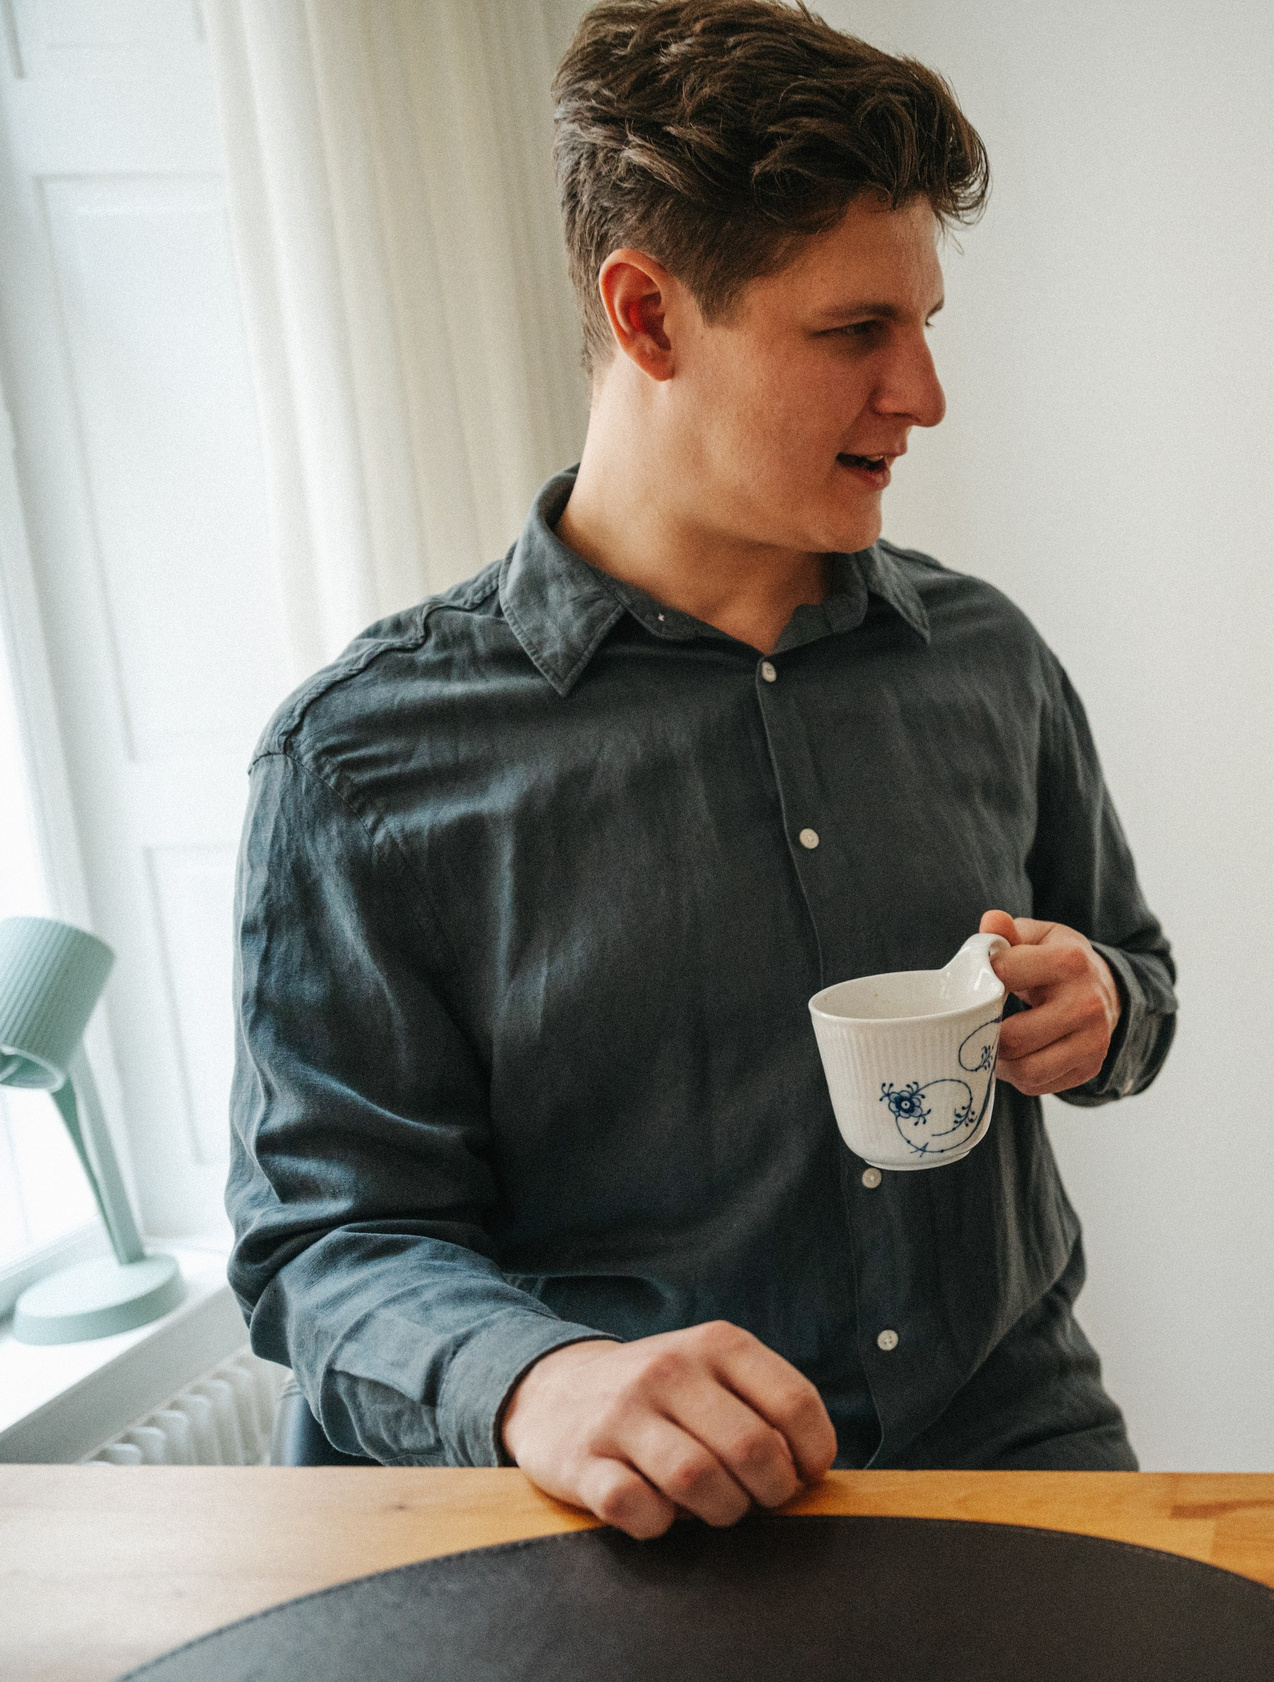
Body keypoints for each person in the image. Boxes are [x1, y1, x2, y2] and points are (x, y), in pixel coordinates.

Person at [228, 0, 1175, 1535]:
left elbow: (1138, 977)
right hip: (609, 1520)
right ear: (650, 317)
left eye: (925, 324)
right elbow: (324, 1245)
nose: (924, 393)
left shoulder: (988, 656)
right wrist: (540, 1379)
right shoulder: (364, 759)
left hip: (1012, 1442)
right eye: (856, 331)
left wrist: (1107, 1005)